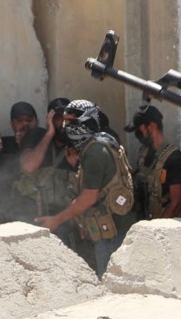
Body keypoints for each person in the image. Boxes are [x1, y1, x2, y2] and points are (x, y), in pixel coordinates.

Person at [34, 102, 136, 275]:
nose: (66, 127)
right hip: (111, 230)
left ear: (85, 122)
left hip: (110, 235)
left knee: (109, 285)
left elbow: (89, 198)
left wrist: (56, 220)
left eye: (70, 121)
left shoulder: (95, 151)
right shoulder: (100, 144)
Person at [0, 100, 54, 225]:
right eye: (19, 120)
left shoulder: (44, 145)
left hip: (36, 217)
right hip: (4, 217)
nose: (25, 123)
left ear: (37, 122)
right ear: (12, 124)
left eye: (29, 120)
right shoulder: (2, 146)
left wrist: (27, 144)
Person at [129, 104, 181, 221]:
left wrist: (158, 229)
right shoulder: (144, 153)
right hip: (144, 221)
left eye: (139, 130)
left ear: (151, 127)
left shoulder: (173, 157)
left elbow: (176, 202)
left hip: (163, 226)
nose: (137, 134)